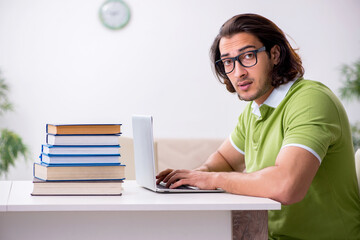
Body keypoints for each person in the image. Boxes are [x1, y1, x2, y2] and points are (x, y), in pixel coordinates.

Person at [156, 13, 360, 239]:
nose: (238, 71)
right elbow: (224, 160)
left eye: (248, 56)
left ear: (274, 54)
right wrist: (193, 177)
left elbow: (287, 186)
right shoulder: (254, 111)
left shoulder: (310, 101)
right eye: (228, 62)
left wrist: (212, 180)